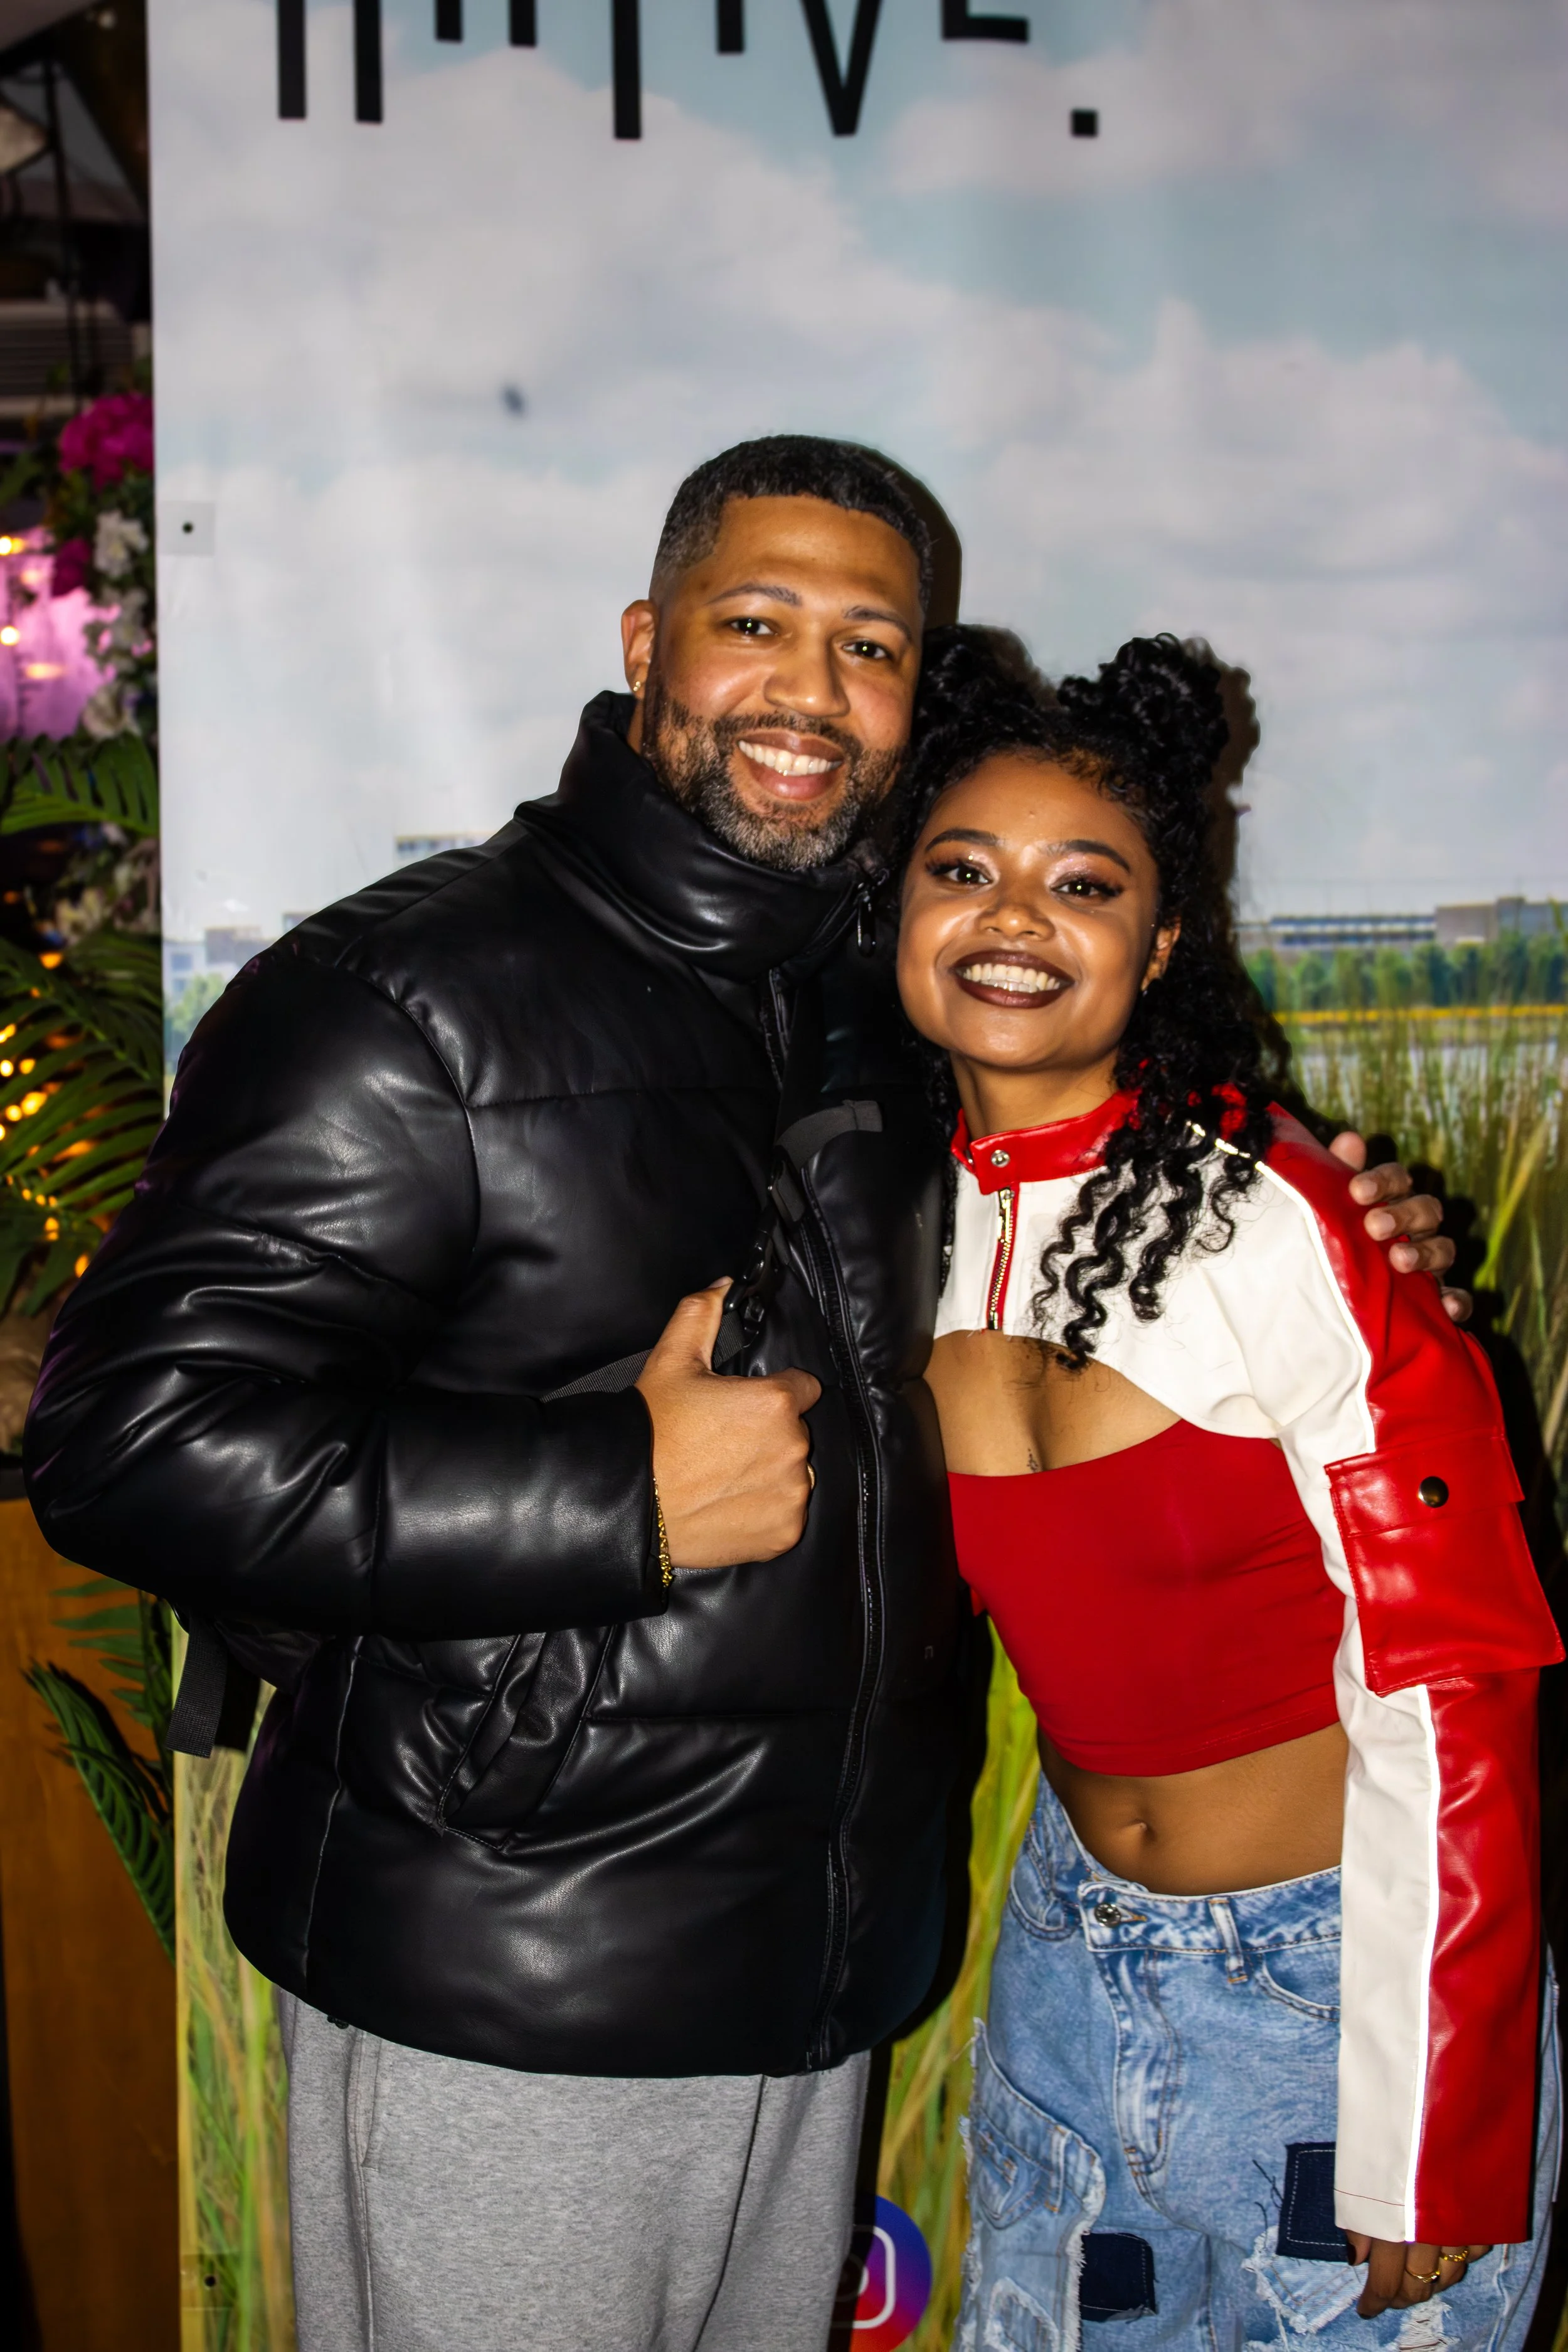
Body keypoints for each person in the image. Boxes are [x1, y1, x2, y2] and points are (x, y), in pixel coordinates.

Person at [24, 442, 1454, 2352]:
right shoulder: (407, 996)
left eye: (868, 644)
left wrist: (1359, 1222)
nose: (809, 684)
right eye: (755, 621)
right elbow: (124, 1438)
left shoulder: (881, 991)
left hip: (814, 1973)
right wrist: (613, 1489)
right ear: (647, 643)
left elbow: (1107, 1169)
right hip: (513, 1973)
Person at [894, 628, 1562, 2352]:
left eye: (1082, 880)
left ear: (1160, 937)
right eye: (959, 867)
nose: (1011, 915)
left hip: (1335, 1984)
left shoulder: (1284, 1216)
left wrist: (1438, 2119)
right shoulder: (867, 1221)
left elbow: (1452, 1673)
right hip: (1066, 1963)